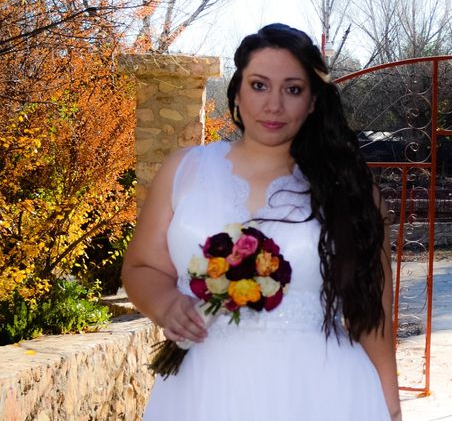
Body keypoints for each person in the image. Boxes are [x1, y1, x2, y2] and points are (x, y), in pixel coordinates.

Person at [122, 23, 401, 420]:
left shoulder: (349, 190)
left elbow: (372, 314)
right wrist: (166, 304)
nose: (274, 105)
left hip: (319, 395)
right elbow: (140, 267)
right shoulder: (182, 170)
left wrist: (390, 407)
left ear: (313, 101)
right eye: (259, 85)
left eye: (292, 89)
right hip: (202, 394)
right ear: (236, 92)